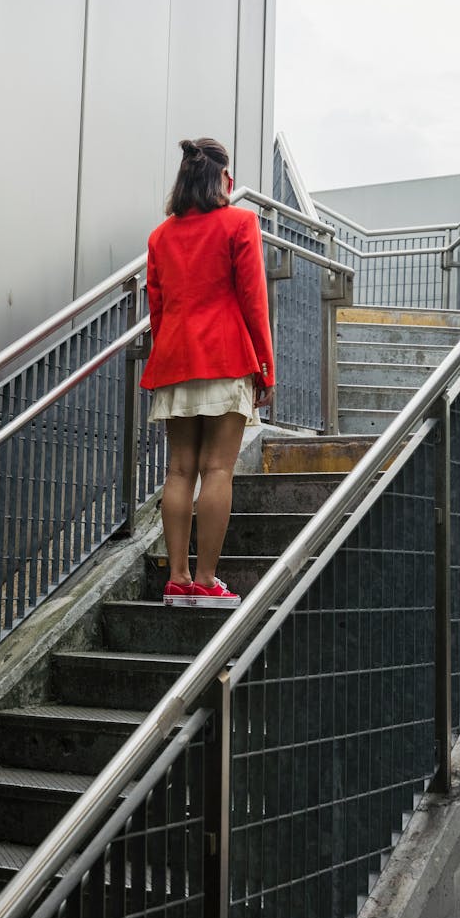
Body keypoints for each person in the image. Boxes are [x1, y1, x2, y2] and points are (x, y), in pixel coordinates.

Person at [140, 138, 275, 608]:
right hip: (225, 354)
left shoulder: (160, 237)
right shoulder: (240, 223)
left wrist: (169, 352)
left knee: (179, 470)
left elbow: (157, 309)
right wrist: (265, 366)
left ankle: (176, 579)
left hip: (175, 358)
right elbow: (253, 300)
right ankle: (206, 579)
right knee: (218, 468)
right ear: (222, 178)